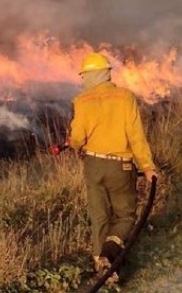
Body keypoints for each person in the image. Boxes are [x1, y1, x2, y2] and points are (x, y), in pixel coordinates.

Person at [68, 52, 158, 280]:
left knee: (99, 215)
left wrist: (75, 145)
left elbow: (77, 137)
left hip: (93, 165)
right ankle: (111, 254)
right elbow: (136, 136)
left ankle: (101, 262)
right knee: (125, 216)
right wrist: (147, 166)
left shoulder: (82, 100)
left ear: (89, 76)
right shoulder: (125, 97)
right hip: (121, 167)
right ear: (106, 74)